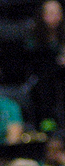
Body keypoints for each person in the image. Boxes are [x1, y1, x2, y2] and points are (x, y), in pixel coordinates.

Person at [25, 0, 65, 132]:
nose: (55, 16)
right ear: (42, 15)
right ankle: (48, 127)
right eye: (50, 12)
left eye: (58, 12)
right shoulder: (34, 38)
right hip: (44, 88)